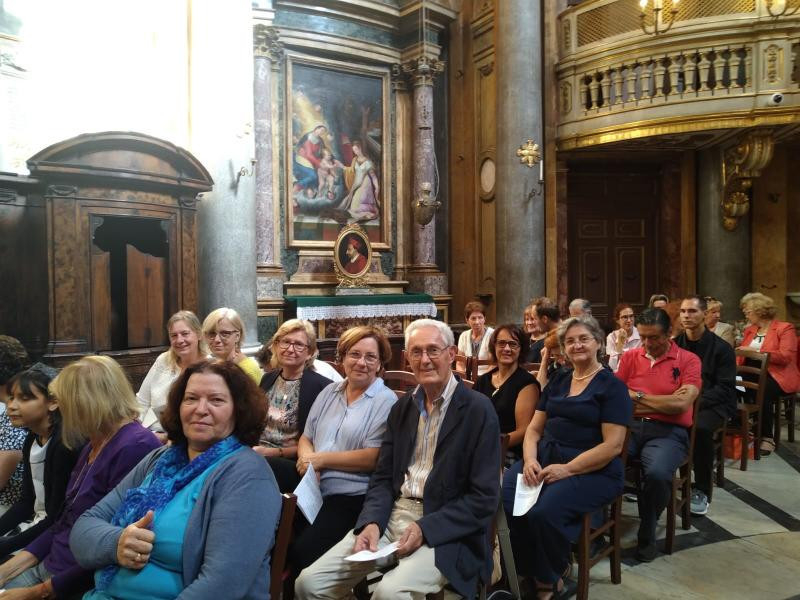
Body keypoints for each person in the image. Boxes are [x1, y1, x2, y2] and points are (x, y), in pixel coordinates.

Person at [295, 319, 501, 599]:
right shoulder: (403, 407)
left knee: (389, 593)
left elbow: (484, 498)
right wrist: (371, 521)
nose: (424, 360)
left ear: (451, 354)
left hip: (446, 528)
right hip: (392, 516)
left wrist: (425, 528)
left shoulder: (478, 410)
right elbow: (382, 477)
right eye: (416, 352)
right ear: (407, 358)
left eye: (433, 350)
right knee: (308, 584)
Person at [71, 359, 280, 600]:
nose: (200, 409)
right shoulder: (160, 459)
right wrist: (116, 543)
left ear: (239, 410)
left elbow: (222, 586)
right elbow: (82, 530)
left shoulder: (248, 476)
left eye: (216, 400)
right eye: (191, 398)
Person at [0, 355, 160, 598]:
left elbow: (111, 546)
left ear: (88, 403)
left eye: (65, 404)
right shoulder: (94, 441)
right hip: (51, 562)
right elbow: (63, 520)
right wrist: (9, 569)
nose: (61, 412)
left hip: (74, 580)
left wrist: (37, 592)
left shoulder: (134, 446)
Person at [502, 316, 631, 599]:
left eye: (584, 339)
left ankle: (551, 574)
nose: (577, 345)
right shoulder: (560, 379)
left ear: (598, 342)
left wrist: (568, 469)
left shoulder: (612, 387)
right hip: (545, 457)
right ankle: (525, 567)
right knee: (507, 497)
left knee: (543, 512)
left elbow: (612, 446)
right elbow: (534, 430)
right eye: (570, 341)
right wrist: (530, 460)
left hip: (593, 468)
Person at [289, 326, 396, 576]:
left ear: (380, 364)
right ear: (342, 357)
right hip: (312, 485)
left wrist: (320, 460)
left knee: (301, 552)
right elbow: (306, 437)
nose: (361, 362)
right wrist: (308, 461)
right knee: (271, 525)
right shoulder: (329, 391)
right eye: (354, 354)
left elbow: (373, 457)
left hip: (351, 495)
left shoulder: (385, 400)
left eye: (370, 357)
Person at [616, 308, 701, 562]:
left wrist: (637, 397)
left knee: (657, 474)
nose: (647, 343)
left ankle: (648, 526)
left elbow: (681, 405)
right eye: (642, 337)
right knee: (600, 458)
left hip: (668, 432)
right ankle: (596, 528)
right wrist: (662, 401)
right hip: (630, 427)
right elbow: (616, 397)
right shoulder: (631, 356)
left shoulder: (688, 360)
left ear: (669, 333)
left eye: (653, 337)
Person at [0, 365, 83, 557]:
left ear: (53, 402)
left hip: (57, 536)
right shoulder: (32, 439)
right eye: (11, 397)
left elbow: (55, 517)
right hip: (37, 525)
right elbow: (26, 502)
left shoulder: (64, 445)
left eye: (24, 398)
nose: (12, 406)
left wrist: (5, 547)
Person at [674, 295, 736, 516]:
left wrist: (693, 401)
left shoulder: (721, 348)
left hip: (714, 403)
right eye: (683, 311)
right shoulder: (675, 344)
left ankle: (701, 489)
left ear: (704, 314)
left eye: (692, 311)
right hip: (683, 400)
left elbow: (725, 388)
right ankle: (655, 480)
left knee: (699, 428)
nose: (686, 316)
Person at [255, 319, 332, 492]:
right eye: (285, 342)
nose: (290, 349)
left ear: (309, 352)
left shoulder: (322, 387)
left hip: (294, 462)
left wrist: (272, 453)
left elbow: (320, 443)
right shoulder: (268, 378)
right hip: (258, 452)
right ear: (276, 346)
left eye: (298, 345)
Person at [737, 292, 800, 456]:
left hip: (778, 375)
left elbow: (785, 357)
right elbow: (742, 356)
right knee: (730, 383)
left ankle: (767, 437)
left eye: (747, 311)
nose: (745, 314)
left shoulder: (784, 328)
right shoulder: (750, 330)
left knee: (761, 390)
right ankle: (740, 426)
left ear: (759, 311)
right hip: (751, 372)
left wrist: (756, 350)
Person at [474, 324, 539, 463]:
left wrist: (487, 445)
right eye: (501, 343)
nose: (507, 349)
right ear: (494, 347)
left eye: (513, 344)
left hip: (506, 451)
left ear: (521, 349)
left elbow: (523, 431)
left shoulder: (527, 384)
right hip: (478, 445)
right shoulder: (483, 380)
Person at [137, 311, 206, 428]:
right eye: (174, 335)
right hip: (147, 429)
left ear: (199, 334)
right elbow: (142, 401)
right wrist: (136, 428)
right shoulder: (163, 360)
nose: (179, 340)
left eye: (185, 334)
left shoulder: (209, 367)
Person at [202, 308, 263, 384]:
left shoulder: (247, 371)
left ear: (237, 336)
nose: (217, 340)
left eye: (224, 334)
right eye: (211, 333)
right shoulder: (212, 365)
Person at [341, 141, 380, 222]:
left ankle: (368, 212)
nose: (355, 152)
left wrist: (376, 187)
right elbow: (351, 171)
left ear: (361, 149)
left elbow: (373, 176)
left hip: (365, 184)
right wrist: (342, 167)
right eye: (354, 150)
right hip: (356, 183)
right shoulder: (355, 160)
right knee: (351, 206)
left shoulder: (368, 161)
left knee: (355, 207)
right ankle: (365, 212)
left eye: (356, 149)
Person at [457, 301, 494, 377]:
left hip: (487, 377)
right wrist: (463, 378)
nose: (477, 322)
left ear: (484, 319)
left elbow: (493, 364)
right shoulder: (464, 336)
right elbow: (460, 363)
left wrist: (481, 380)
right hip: (467, 377)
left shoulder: (492, 335)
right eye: (473, 318)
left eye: (480, 317)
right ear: (467, 320)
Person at [606, 303, 641, 372]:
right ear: (617, 320)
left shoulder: (641, 334)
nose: (629, 320)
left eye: (631, 316)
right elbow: (612, 366)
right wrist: (620, 344)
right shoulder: (612, 337)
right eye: (625, 317)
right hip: (617, 374)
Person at [526, 298, 560, 364]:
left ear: (545, 319)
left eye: (535, 319)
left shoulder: (564, 337)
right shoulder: (550, 336)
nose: (534, 323)